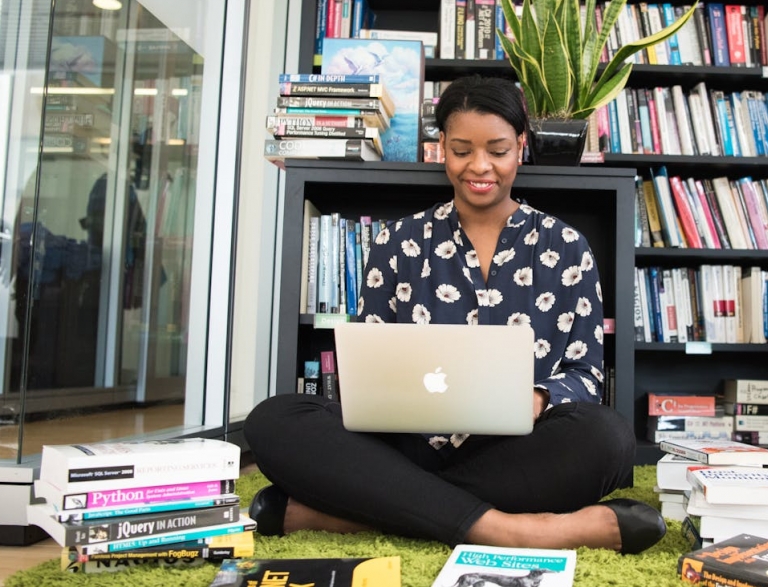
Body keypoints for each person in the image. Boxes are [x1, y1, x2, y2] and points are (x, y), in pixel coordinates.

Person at [244, 75, 666, 555]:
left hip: (515, 450)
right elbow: (369, 364)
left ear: (521, 147)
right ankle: (521, 531)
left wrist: (536, 396)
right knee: (272, 420)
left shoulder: (567, 247)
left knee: (608, 438)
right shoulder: (396, 242)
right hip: (401, 445)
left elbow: (586, 374)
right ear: (440, 146)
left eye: (498, 150)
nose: (480, 166)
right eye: (462, 149)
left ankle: (359, 511)